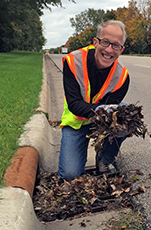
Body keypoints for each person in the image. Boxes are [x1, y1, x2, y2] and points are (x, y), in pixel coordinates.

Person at [57, 20, 130, 181]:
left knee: (125, 115)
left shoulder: (122, 76)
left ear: (121, 50)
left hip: (101, 124)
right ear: (95, 42)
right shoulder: (73, 62)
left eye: (116, 45)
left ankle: (105, 158)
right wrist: (98, 110)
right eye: (105, 42)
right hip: (75, 123)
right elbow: (74, 103)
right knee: (70, 175)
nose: (109, 50)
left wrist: (107, 114)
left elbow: (112, 112)